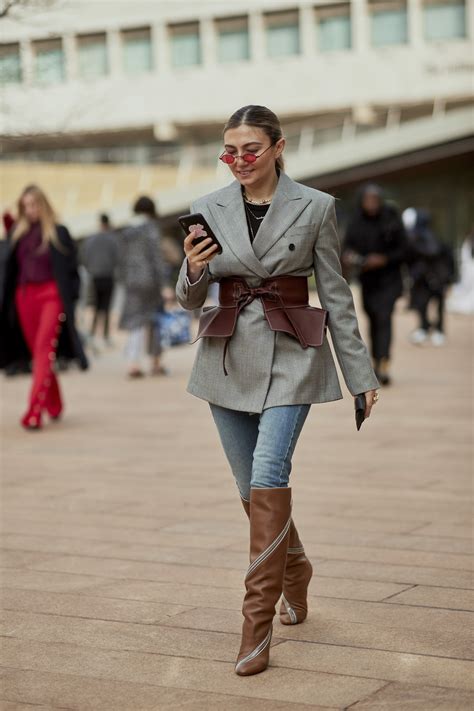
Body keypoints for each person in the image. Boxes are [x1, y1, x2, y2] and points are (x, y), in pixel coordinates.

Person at [175, 105, 379, 677]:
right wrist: (192, 270)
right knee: (248, 489)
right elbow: (191, 296)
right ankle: (297, 569)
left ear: (278, 147)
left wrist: (360, 377)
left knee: (269, 472)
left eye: (250, 150)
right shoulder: (209, 208)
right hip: (227, 357)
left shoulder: (316, 207)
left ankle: (255, 626)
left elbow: (336, 295)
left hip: (294, 354)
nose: (238, 160)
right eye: (229, 151)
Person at [0, 184, 88, 430]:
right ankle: (55, 403)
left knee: (42, 350)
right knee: (40, 355)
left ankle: (33, 411)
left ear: (43, 204)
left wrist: (72, 297)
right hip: (24, 297)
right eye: (26, 205)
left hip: (51, 295)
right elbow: (8, 264)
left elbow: (72, 270)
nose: (30, 210)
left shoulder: (59, 232)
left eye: (34, 204)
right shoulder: (18, 232)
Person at [343, 184, 406, 385]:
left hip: (389, 279)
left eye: (375, 199)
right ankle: (376, 360)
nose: (371, 203)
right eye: (367, 200)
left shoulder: (391, 219)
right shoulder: (356, 221)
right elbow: (347, 248)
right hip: (368, 281)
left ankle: (384, 364)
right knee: (372, 319)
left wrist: (384, 259)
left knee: (384, 318)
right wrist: (353, 258)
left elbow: (405, 250)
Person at [117, 196, 165, 378]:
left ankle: (133, 363)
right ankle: (155, 361)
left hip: (131, 280)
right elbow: (156, 257)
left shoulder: (126, 230)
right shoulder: (150, 228)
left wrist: (123, 279)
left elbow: (120, 258)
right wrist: (164, 284)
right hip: (150, 280)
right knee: (154, 319)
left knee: (134, 321)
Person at [405, 209, 455, 346]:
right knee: (421, 304)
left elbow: (434, 252)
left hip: (436, 277)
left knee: (438, 305)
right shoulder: (414, 237)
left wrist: (448, 277)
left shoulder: (428, 237)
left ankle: (439, 330)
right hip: (422, 278)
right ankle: (424, 328)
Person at [82, 213, 118, 345]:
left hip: (94, 276)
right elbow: (117, 257)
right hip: (108, 275)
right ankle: (106, 336)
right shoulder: (112, 238)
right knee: (106, 307)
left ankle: (92, 335)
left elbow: (85, 257)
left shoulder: (90, 239)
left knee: (96, 307)